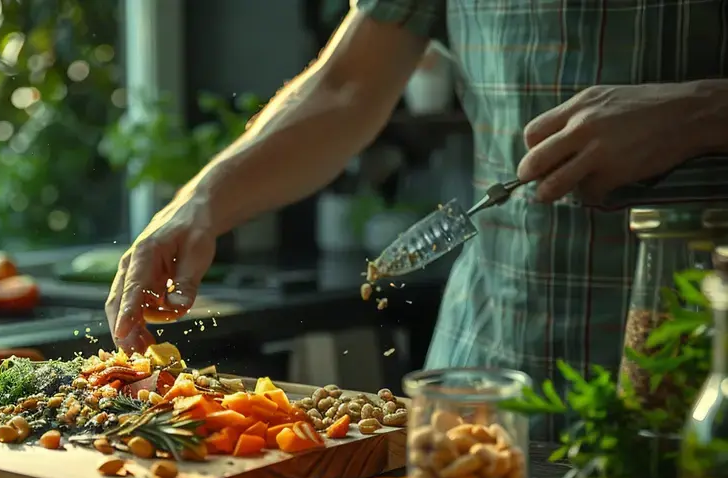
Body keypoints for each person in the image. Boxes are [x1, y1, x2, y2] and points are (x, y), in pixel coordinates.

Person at [106, 0, 728, 404]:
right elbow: (349, 84)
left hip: (703, 369)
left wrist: (699, 112)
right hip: (489, 363)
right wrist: (200, 201)